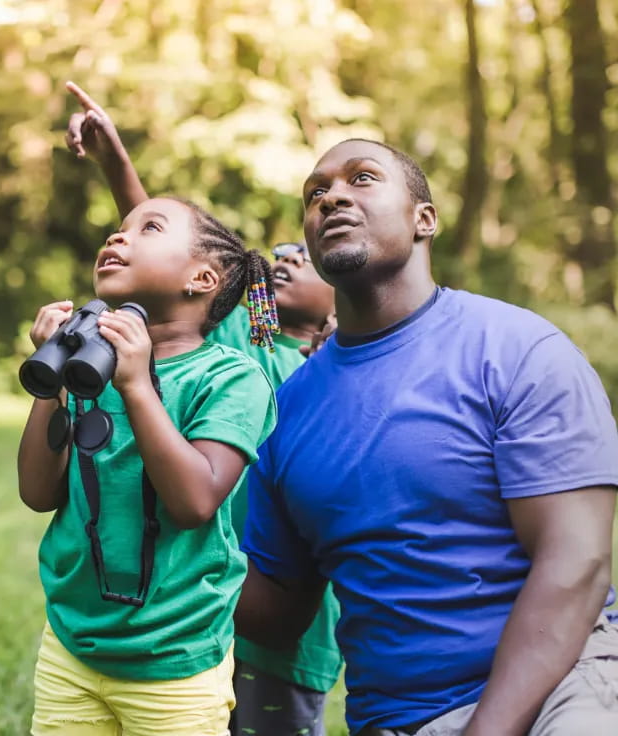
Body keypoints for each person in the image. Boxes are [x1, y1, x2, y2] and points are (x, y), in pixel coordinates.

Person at [234, 137, 618, 736]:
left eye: (362, 179)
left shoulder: (517, 350)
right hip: (398, 720)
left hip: (563, 687)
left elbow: (578, 563)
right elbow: (279, 612)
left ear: (424, 219)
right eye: (316, 193)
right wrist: (151, 515)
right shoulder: (286, 410)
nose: (332, 197)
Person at [63, 81, 343, 736]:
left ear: (344, 298)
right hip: (202, 595)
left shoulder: (334, 372)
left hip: (287, 621)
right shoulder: (247, 338)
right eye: (283, 253)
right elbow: (174, 267)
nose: (289, 255)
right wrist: (117, 167)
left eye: (309, 258)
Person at [18, 195, 279, 735]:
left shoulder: (231, 379)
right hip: (74, 642)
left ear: (202, 279)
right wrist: (50, 379)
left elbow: (194, 501)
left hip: (174, 657)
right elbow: (38, 492)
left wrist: (137, 384)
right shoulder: (88, 365)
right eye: (118, 228)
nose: (118, 237)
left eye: (149, 228)